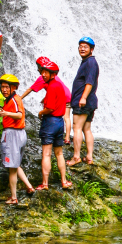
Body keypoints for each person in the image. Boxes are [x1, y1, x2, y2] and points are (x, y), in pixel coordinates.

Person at [34, 60, 73, 192]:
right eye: (42, 71)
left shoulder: (51, 87)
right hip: (60, 122)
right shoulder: (59, 86)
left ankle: (45, 183)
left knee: (46, 154)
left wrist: (41, 112)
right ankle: (64, 181)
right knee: (59, 153)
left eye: (46, 72)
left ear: (53, 74)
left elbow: (50, 108)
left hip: (50, 122)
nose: (43, 74)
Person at [0, 74, 34, 205]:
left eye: (7, 87)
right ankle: (29, 186)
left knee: (11, 167)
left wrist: (5, 113)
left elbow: (19, 115)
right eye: (2, 87)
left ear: (13, 88)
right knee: (15, 163)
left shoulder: (14, 99)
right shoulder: (9, 100)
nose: (4, 90)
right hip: (20, 134)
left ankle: (14, 197)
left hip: (13, 134)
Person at [21, 56, 73, 145]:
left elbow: (30, 89)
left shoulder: (42, 78)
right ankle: (67, 137)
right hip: (67, 95)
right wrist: (44, 99)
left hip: (60, 97)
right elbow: (52, 90)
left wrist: (19, 98)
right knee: (66, 117)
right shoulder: (54, 76)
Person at [67, 36, 99, 167]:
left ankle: (76, 157)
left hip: (83, 101)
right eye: (80, 46)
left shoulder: (90, 62)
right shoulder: (87, 62)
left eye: (86, 47)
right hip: (89, 101)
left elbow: (89, 82)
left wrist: (83, 97)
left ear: (92, 49)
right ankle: (89, 157)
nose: (82, 48)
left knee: (77, 128)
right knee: (87, 129)